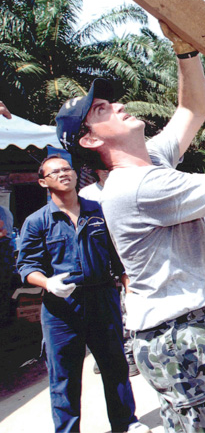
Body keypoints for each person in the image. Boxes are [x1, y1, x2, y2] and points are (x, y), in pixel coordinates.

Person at [56, 22, 205, 432]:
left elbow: (191, 110)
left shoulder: (150, 162)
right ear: (90, 141)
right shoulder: (139, 185)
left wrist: (186, 51)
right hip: (182, 336)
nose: (116, 106)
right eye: (101, 110)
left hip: (181, 336)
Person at [17, 156, 147, 433]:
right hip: (61, 307)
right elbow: (26, 267)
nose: (64, 173)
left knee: (115, 365)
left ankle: (125, 423)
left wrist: (127, 283)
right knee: (64, 375)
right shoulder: (37, 221)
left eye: (67, 169)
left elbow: (117, 254)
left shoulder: (98, 212)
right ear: (43, 181)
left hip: (102, 298)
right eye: (55, 171)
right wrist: (48, 283)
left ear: (76, 175)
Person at [79, 169, 140, 378]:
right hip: (101, 258)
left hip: (128, 253)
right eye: (102, 167)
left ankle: (130, 352)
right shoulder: (87, 194)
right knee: (102, 311)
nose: (107, 171)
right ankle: (100, 355)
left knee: (128, 306)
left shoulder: (129, 188)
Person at [0, 205, 14, 327]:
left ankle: (3, 320)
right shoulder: (4, 210)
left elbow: (2, 231)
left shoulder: (1, 211)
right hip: (5, 250)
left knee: (2, 289)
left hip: (3, 250)